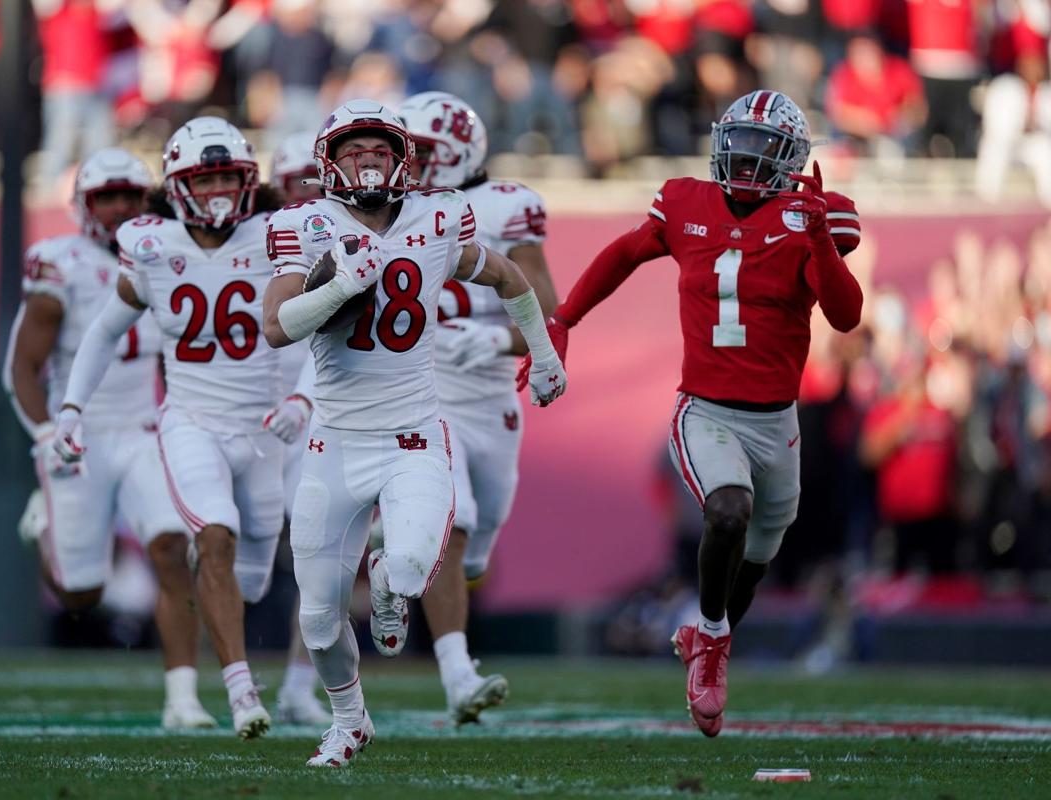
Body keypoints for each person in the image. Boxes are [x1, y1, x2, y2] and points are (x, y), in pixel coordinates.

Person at [532, 90, 862, 737]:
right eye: (739, 140)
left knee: (759, 552)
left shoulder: (813, 214)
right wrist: (565, 317)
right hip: (708, 411)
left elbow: (846, 315)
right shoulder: (684, 201)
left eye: (764, 146)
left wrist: (820, 237)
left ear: (791, 158)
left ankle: (713, 634)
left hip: (779, 421)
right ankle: (710, 645)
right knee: (728, 509)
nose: (746, 155)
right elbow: (626, 253)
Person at [261, 98, 567, 766]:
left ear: (402, 160)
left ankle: (394, 585)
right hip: (334, 442)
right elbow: (279, 324)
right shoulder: (304, 223)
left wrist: (542, 355)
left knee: (408, 563)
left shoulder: (439, 215)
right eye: (353, 151)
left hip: (414, 436)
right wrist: (339, 286)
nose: (368, 162)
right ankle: (349, 721)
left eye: (380, 150)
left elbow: (511, 278)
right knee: (317, 617)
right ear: (328, 163)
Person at [50, 118, 285, 740]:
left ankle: (230, 657)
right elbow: (104, 330)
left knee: (252, 578)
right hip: (190, 423)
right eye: (202, 179)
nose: (214, 192)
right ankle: (239, 692)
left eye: (225, 178)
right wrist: (70, 409)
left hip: (263, 429)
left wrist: (308, 401)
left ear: (248, 182)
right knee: (213, 540)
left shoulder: (279, 236)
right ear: (178, 187)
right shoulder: (152, 244)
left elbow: (327, 324)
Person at [4, 147, 216, 730]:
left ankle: (182, 699)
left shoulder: (172, 252)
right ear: (84, 205)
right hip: (81, 432)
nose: (122, 208)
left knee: (174, 550)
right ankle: (45, 520)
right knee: (80, 594)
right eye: (108, 197)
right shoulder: (59, 262)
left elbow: (180, 354)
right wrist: (47, 431)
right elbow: (21, 368)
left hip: (144, 428)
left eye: (131, 196)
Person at [395, 91, 558, 724]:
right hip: (420, 392)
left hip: (490, 397)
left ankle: (396, 560)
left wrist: (499, 337)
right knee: (452, 521)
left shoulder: (505, 207)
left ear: (462, 151)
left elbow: (544, 307)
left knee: (478, 543)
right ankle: (458, 674)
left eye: (425, 151)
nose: (412, 163)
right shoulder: (390, 210)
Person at [258, 131, 330, 726]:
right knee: (236, 557)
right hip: (245, 416)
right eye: (295, 180)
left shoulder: (343, 236)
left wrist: (305, 398)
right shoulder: (245, 238)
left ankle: (298, 682)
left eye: (315, 177)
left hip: (314, 414)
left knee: (318, 553)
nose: (305, 193)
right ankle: (231, 675)